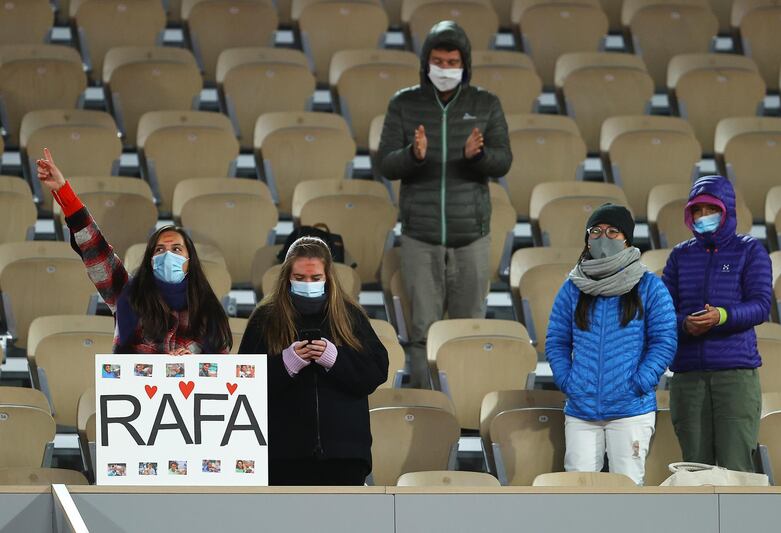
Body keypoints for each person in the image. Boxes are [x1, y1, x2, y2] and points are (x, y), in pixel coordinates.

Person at [377, 20, 512, 388]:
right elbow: (386, 163)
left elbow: (503, 161)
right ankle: (430, 410)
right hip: (420, 235)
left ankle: (468, 412)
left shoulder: (485, 104)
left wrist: (477, 156)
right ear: (426, 63)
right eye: (438, 61)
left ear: (465, 65)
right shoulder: (404, 104)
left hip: (472, 236)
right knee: (422, 331)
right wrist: (413, 155)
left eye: (453, 62)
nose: (445, 69)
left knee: (470, 331)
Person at [36, 149, 232, 354]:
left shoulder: (208, 312)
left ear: (190, 260)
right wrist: (64, 192)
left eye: (176, 249)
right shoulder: (128, 295)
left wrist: (194, 366)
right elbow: (96, 249)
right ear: (150, 260)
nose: (168, 255)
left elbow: (223, 371)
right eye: (160, 250)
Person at [239, 236, 389, 485]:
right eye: (300, 278)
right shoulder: (265, 318)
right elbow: (244, 381)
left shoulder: (350, 316)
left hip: (345, 455)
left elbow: (376, 370)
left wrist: (335, 359)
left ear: (327, 278)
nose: (307, 284)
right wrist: (285, 365)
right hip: (282, 455)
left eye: (315, 278)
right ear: (287, 277)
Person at [546, 204, 677, 485]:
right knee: (578, 491)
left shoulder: (649, 286)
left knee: (627, 489)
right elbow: (556, 341)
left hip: (631, 409)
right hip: (581, 408)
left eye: (612, 232)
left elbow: (664, 341)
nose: (603, 237)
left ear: (627, 239)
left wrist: (640, 382)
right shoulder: (573, 287)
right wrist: (568, 381)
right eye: (596, 231)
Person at [662, 175, 772, 472]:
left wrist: (721, 316)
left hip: (735, 375)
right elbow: (661, 313)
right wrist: (686, 325)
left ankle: (743, 521)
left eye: (710, 209)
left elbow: (762, 305)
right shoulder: (680, 256)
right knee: (694, 469)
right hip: (689, 377)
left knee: (737, 467)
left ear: (727, 210)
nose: (702, 216)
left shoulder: (749, 250)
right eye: (696, 210)